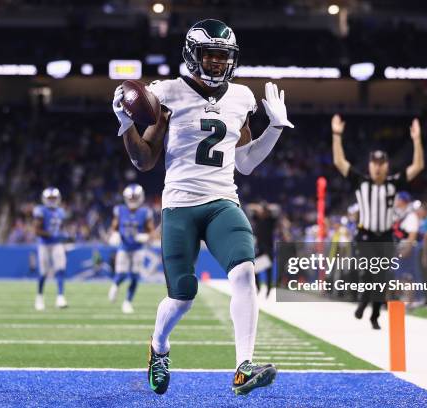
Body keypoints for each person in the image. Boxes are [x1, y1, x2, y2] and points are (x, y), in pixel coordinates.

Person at [112, 19, 293, 395]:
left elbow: (245, 163)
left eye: (222, 56)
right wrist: (126, 125)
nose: (215, 63)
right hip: (179, 204)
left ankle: (243, 366)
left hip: (222, 201)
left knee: (244, 271)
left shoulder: (241, 97)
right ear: (193, 55)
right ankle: (158, 347)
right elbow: (144, 160)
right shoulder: (167, 93)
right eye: (209, 55)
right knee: (182, 295)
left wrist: (273, 129)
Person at [331, 114, 424, 329]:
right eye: (374, 163)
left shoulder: (393, 183)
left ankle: (373, 313)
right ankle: (364, 301)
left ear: (387, 166)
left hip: (385, 235)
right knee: (367, 270)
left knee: (383, 274)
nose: (378, 167)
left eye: (382, 163)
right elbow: (339, 162)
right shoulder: (361, 181)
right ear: (370, 165)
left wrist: (417, 140)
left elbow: (417, 166)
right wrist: (337, 135)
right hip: (365, 234)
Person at [108, 184, 155, 314]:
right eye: (131, 198)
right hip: (123, 247)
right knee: (121, 274)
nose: (133, 200)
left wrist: (145, 237)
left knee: (134, 276)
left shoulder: (145, 212)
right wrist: (114, 234)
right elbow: (113, 227)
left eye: (135, 198)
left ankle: (127, 301)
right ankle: (115, 285)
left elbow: (152, 232)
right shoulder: (120, 210)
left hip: (138, 249)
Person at [33, 187, 68, 311]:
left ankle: (60, 297)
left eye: (54, 198)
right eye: (50, 198)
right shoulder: (40, 211)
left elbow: (62, 228)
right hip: (44, 245)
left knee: (60, 269)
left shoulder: (61, 212)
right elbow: (36, 230)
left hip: (57, 244)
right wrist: (51, 234)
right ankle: (39, 297)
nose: (52, 201)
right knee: (43, 273)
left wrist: (64, 236)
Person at [391, 191, 422, 306]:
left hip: (407, 247)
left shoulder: (410, 215)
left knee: (408, 275)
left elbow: (412, 235)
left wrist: (407, 249)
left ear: (403, 201)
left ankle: (412, 300)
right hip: (399, 247)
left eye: (398, 199)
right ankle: (405, 299)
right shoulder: (399, 215)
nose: (396, 202)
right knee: (399, 275)